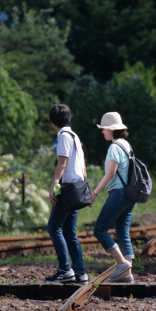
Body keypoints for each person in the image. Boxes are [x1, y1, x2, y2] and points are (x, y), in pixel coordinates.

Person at [90, 112, 136, 283]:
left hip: (118, 193)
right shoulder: (127, 145)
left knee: (99, 229)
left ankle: (122, 264)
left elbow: (110, 173)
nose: (102, 132)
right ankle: (127, 275)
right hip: (130, 194)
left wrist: (94, 193)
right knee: (123, 231)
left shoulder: (114, 147)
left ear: (111, 130)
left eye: (104, 129)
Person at [45, 104, 89, 282]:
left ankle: (65, 269)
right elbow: (83, 166)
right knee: (70, 232)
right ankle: (80, 272)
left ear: (52, 121)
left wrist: (54, 188)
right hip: (78, 188)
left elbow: (62, 164)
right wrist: (85, 190)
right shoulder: (75, 136)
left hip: (68, 188)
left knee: (53, 227)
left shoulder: (63, 136)